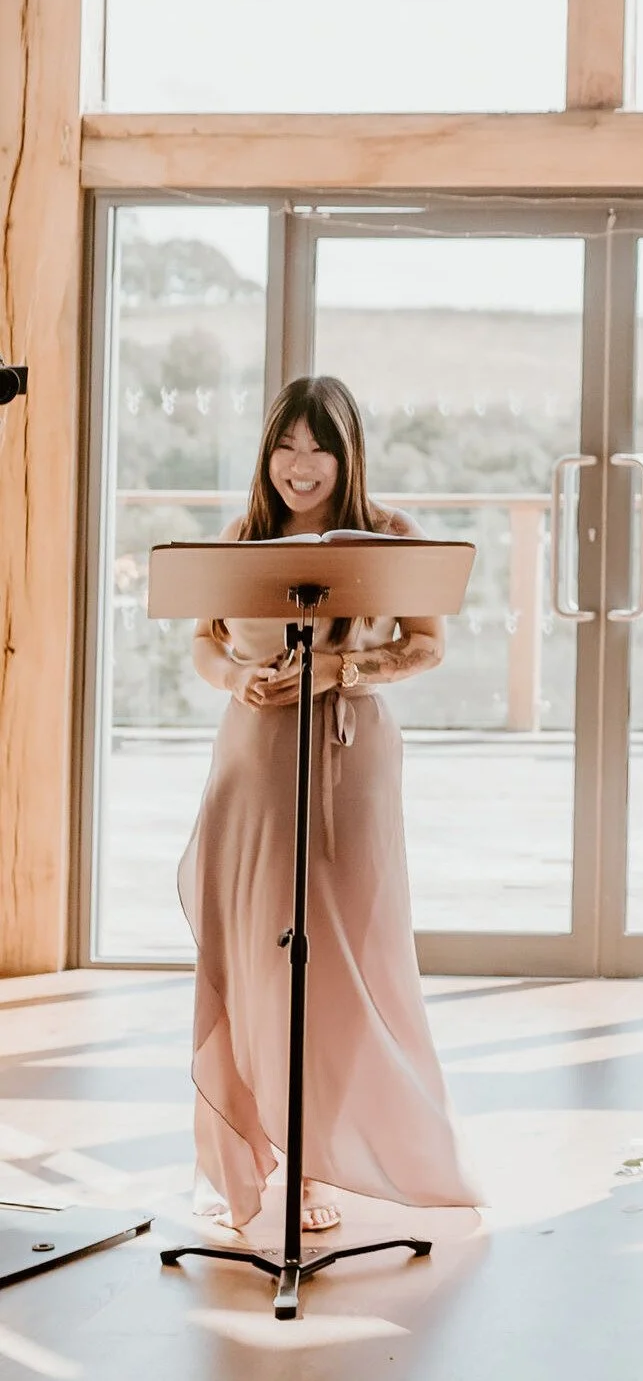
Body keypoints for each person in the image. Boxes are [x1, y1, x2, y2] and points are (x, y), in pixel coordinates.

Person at [181, 375, 481, 1233]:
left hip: (349, 760)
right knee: (253, 961)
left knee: (338, 961)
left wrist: (343, 670)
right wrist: (242, 678)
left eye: (320, 448)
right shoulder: (245, 536)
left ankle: (312, 1164)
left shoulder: (392, 536)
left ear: (347, 454)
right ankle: (249, 1148)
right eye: (286, 446)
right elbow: (204, 648)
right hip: (252, 764)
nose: (300, 466)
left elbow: (426, 646)